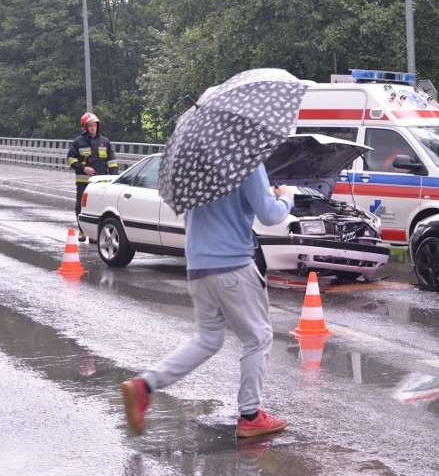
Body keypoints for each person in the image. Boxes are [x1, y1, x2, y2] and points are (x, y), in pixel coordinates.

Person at [120, 165, 296, 439]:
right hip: (232, 264)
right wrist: (286, 196)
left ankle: (145, 385)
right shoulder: (246, 161)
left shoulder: (193, 165)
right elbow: (270, 214)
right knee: (258, 338)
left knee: (208, 339)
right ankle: (250, 415)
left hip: (198, 265)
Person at [67, 113, 119, 242]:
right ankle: (82, 231)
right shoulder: (78, 142)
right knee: (81, 206)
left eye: (95, 125)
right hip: (83, 182)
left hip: (101, 183)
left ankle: (94, 234)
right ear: (85, 127)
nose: (93, 128)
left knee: (99, 208)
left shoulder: (105, 142)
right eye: (90, 125)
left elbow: (112, 162)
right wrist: (83, 168)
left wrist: (114, 177)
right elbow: (70, 159)